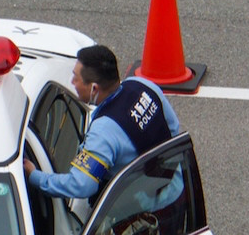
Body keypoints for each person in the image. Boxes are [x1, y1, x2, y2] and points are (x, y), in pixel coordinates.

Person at [23, 45, 179, 199]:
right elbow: (173, 129)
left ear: (94, 89)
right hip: (176, 184)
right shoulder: (142, 85)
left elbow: (81, 185)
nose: (72, 82)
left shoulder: (103, 132)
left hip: (145, 204)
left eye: (76, 78)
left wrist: (35, 176)